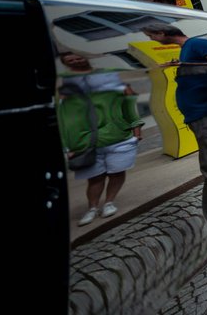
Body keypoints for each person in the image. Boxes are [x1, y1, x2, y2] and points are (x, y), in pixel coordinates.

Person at [142, 22, 207, 243]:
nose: (152, 40)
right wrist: (181, 66)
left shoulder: (197, 44)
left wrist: (187, 69)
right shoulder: (189, 49)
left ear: (162, 33)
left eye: (152, 36)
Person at [57, 52, 143, 226]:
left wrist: (136, 131)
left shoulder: (112, 82)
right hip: (86, 141)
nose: (76, 61)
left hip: (119, 136)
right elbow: (65, 120)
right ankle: (92, 208)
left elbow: (129, 105)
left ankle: (109, 202)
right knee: (95, 177)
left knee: (117, 172)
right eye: (71, 61)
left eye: (78, 57)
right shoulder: (67, 91)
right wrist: (68, 146)